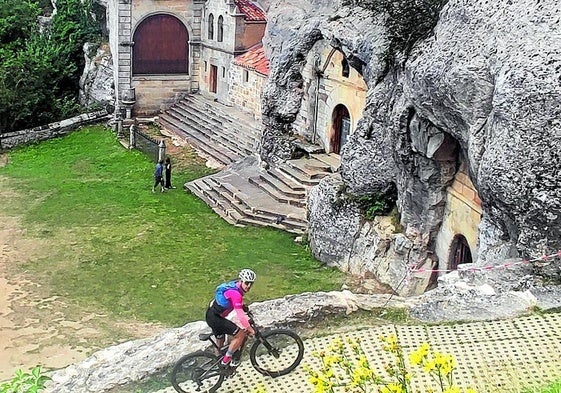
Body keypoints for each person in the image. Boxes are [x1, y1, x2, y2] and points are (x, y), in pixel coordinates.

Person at [205, 269, 257, 367]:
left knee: (220, 340)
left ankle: (218, 363)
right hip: (216, 319)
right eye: (247, 283)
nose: (249, 286)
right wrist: (250, 329)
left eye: (251, 283)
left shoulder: (233, 285)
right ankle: (225, 361)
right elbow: (240, 315)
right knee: (240, 334)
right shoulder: (236, 294)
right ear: (241, 281)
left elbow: (230, 301)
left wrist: (242, 306)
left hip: (211, 314)